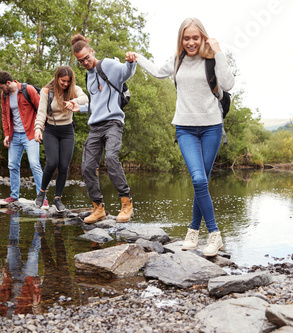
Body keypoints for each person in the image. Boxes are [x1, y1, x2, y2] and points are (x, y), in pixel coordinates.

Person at [125, 18, 235, 256]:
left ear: (203, 37)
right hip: (184, 128)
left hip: (211, 128)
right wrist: (137, 57)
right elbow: (155, 72)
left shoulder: (211, 60)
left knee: (202, 181)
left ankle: (193, 231)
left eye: (195, 37)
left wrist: (218, 52)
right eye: (186, 38)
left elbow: (228, 83)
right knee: (198, 179)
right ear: (181, 39)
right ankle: (215, 234)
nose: (191, 42)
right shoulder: (177, 61)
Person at [68, 34, 136, 224]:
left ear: (92, 51)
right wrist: (79, 108)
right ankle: (98, 208)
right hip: (95, 127)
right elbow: (95, 103)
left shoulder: (106, 65)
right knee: (87, 167)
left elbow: (126, 73)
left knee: (111, 158)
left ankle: (126, 203)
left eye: (87, 58)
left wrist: (131, 62)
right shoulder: (88, 76)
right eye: (80, 61)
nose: (85, 63)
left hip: (113, 122)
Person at [33, 66, 88, 211]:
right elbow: (41, 113)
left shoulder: (73, 89)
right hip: (51, 130)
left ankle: (57, 199)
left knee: (64, 166)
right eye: (63, 81)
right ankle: (42, 193)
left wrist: (74, 101)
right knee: (52, 163)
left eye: (68, 82)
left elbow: (85, 98)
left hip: (67, 131)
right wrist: (38, 129)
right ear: (57, 78)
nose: (65, 84)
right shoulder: (46, 91)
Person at [0, 71, 43, 203]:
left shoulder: (28, 90)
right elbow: (4, 115)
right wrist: (7, 134)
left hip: (30, 134)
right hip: (14, 136)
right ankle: (14, 196)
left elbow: (41, 109)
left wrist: (40, 129)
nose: (1, 90)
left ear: (8, 83)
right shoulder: (4, 95)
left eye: (2, 87)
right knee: (12, 165)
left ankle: (42, 198)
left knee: (34, 164)